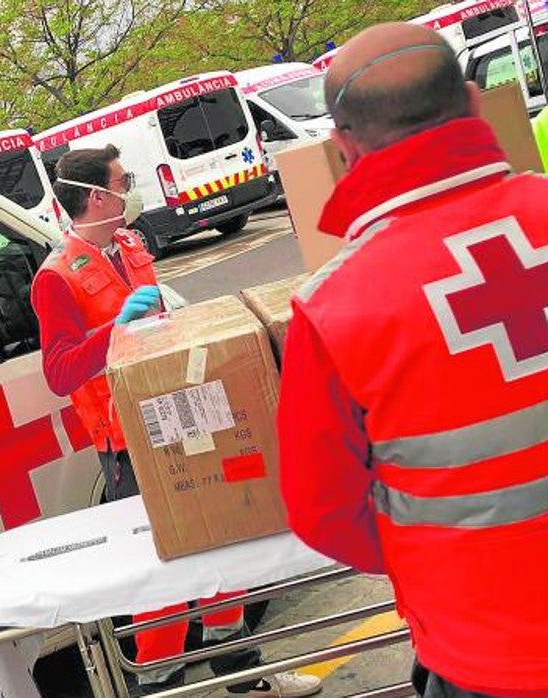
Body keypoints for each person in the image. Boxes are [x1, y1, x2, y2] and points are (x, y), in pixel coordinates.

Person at [278, 23, 548, 698]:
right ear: (474, 102)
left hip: (485, 650)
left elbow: (324, 512)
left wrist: (435, 558)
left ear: (344, 146)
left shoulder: (335, 308)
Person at [32, 146, 321, 697]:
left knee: (223, 541)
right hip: (128, 441)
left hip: (181, 414)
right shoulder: (57, 277)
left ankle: (244, 672)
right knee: (161, 570)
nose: (131, 188)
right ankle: (159, 685)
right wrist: (115, 327)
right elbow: (59, 371)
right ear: (98, 196)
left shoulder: (130, 246)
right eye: (123, 181)